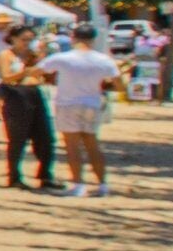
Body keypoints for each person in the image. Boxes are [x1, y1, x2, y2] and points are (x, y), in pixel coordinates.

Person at [37, 23, 126, 197]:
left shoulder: (63, 58)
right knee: (93, 145)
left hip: (68, 103)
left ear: (73, 37)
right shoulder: (104, 60)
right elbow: (120, 85)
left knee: (72, 146)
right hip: (92, 103)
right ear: (93, 39)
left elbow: (38, 70)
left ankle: (78, 184)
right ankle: (102, 184)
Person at [0, 25, 56, 190]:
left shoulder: (33, 55)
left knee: (45, 137)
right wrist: (26, 72)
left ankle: (45, 174)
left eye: (30, 40)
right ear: (13, 39)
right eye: (23, 40)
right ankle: (14, 176)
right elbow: (7, 77)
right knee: (18, 138)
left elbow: (45, 75)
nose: (27, 43)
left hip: (35, 92)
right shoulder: (6, 55)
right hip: (16, 95)